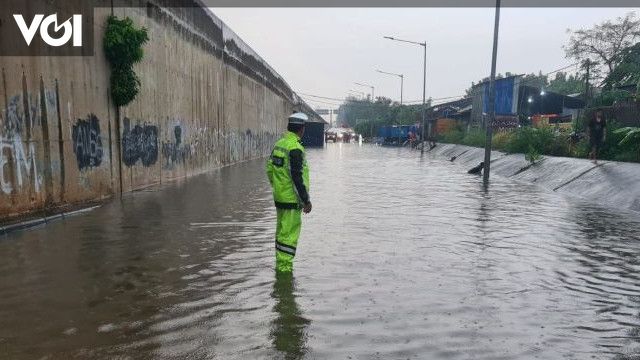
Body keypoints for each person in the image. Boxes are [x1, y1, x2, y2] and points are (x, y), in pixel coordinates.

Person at [266, 112, 312, 273]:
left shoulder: (280, 144)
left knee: (281, 234)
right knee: (288, 237)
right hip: (292, 201)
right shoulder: (295, 148)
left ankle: (280, 266)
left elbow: (269, 169)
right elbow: (297, 178)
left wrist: (278, 188)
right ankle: (284, 276)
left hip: (280, 199)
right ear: (302, 129)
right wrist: (306, 201)